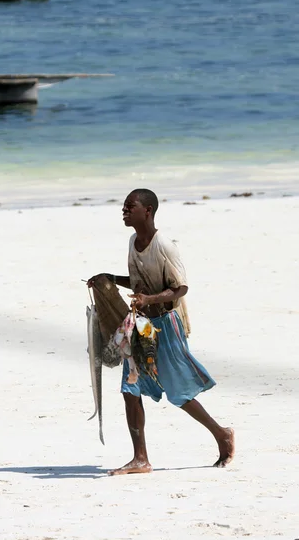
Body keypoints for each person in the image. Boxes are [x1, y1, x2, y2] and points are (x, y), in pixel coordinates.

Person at [88, 188, 234, 475]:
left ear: (148, 211)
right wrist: (109, 279)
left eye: (130, 206)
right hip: (140, 326)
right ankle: (140, 458)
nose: (124, 211)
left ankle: (222, 434)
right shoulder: (133, 242)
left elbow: (181, 288)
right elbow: (137, 281)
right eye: (124, 206)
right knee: (130, 388)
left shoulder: (164, 245)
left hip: (166, 325)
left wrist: (150, 300)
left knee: (179, 392)